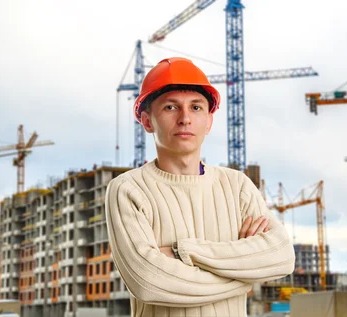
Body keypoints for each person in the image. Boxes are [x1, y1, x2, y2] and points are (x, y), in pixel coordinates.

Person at [105, 57, 295, 317]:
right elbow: (148, 282)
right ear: (147, 121)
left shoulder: (237, 186)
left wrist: (181, 251)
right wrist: (243, 278)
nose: (185, 118)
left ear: (209, 121)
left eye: (196, 107)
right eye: (171, 107)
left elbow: (281, 256)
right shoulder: (128, 190)